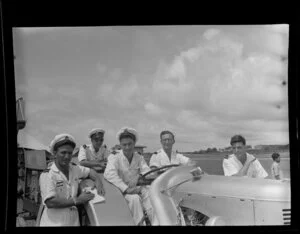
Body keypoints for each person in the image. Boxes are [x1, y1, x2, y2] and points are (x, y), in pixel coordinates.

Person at [39, 133, 105, 226]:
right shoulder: (48, 174)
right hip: (54, 223)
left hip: (73, 222)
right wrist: (77, 200)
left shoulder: (74, 168)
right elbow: (50, 202)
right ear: (55, 153)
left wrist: (98, 182)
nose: (67, 156)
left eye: (70, 153)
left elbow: (90, 171)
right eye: (63, 152)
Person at [104, 127, 157, 225]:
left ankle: (156, 223)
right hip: (120, 191)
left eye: (130, 144)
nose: (127, 147)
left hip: (136, 189)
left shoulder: (138, 157)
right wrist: (126, 189)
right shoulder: (114, 156)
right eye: (124, 144)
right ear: (120, 145)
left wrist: (139, 176)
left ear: (134, 144)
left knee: (152, 194)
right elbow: (109, 174)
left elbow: (148, 172)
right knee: (135, 199)